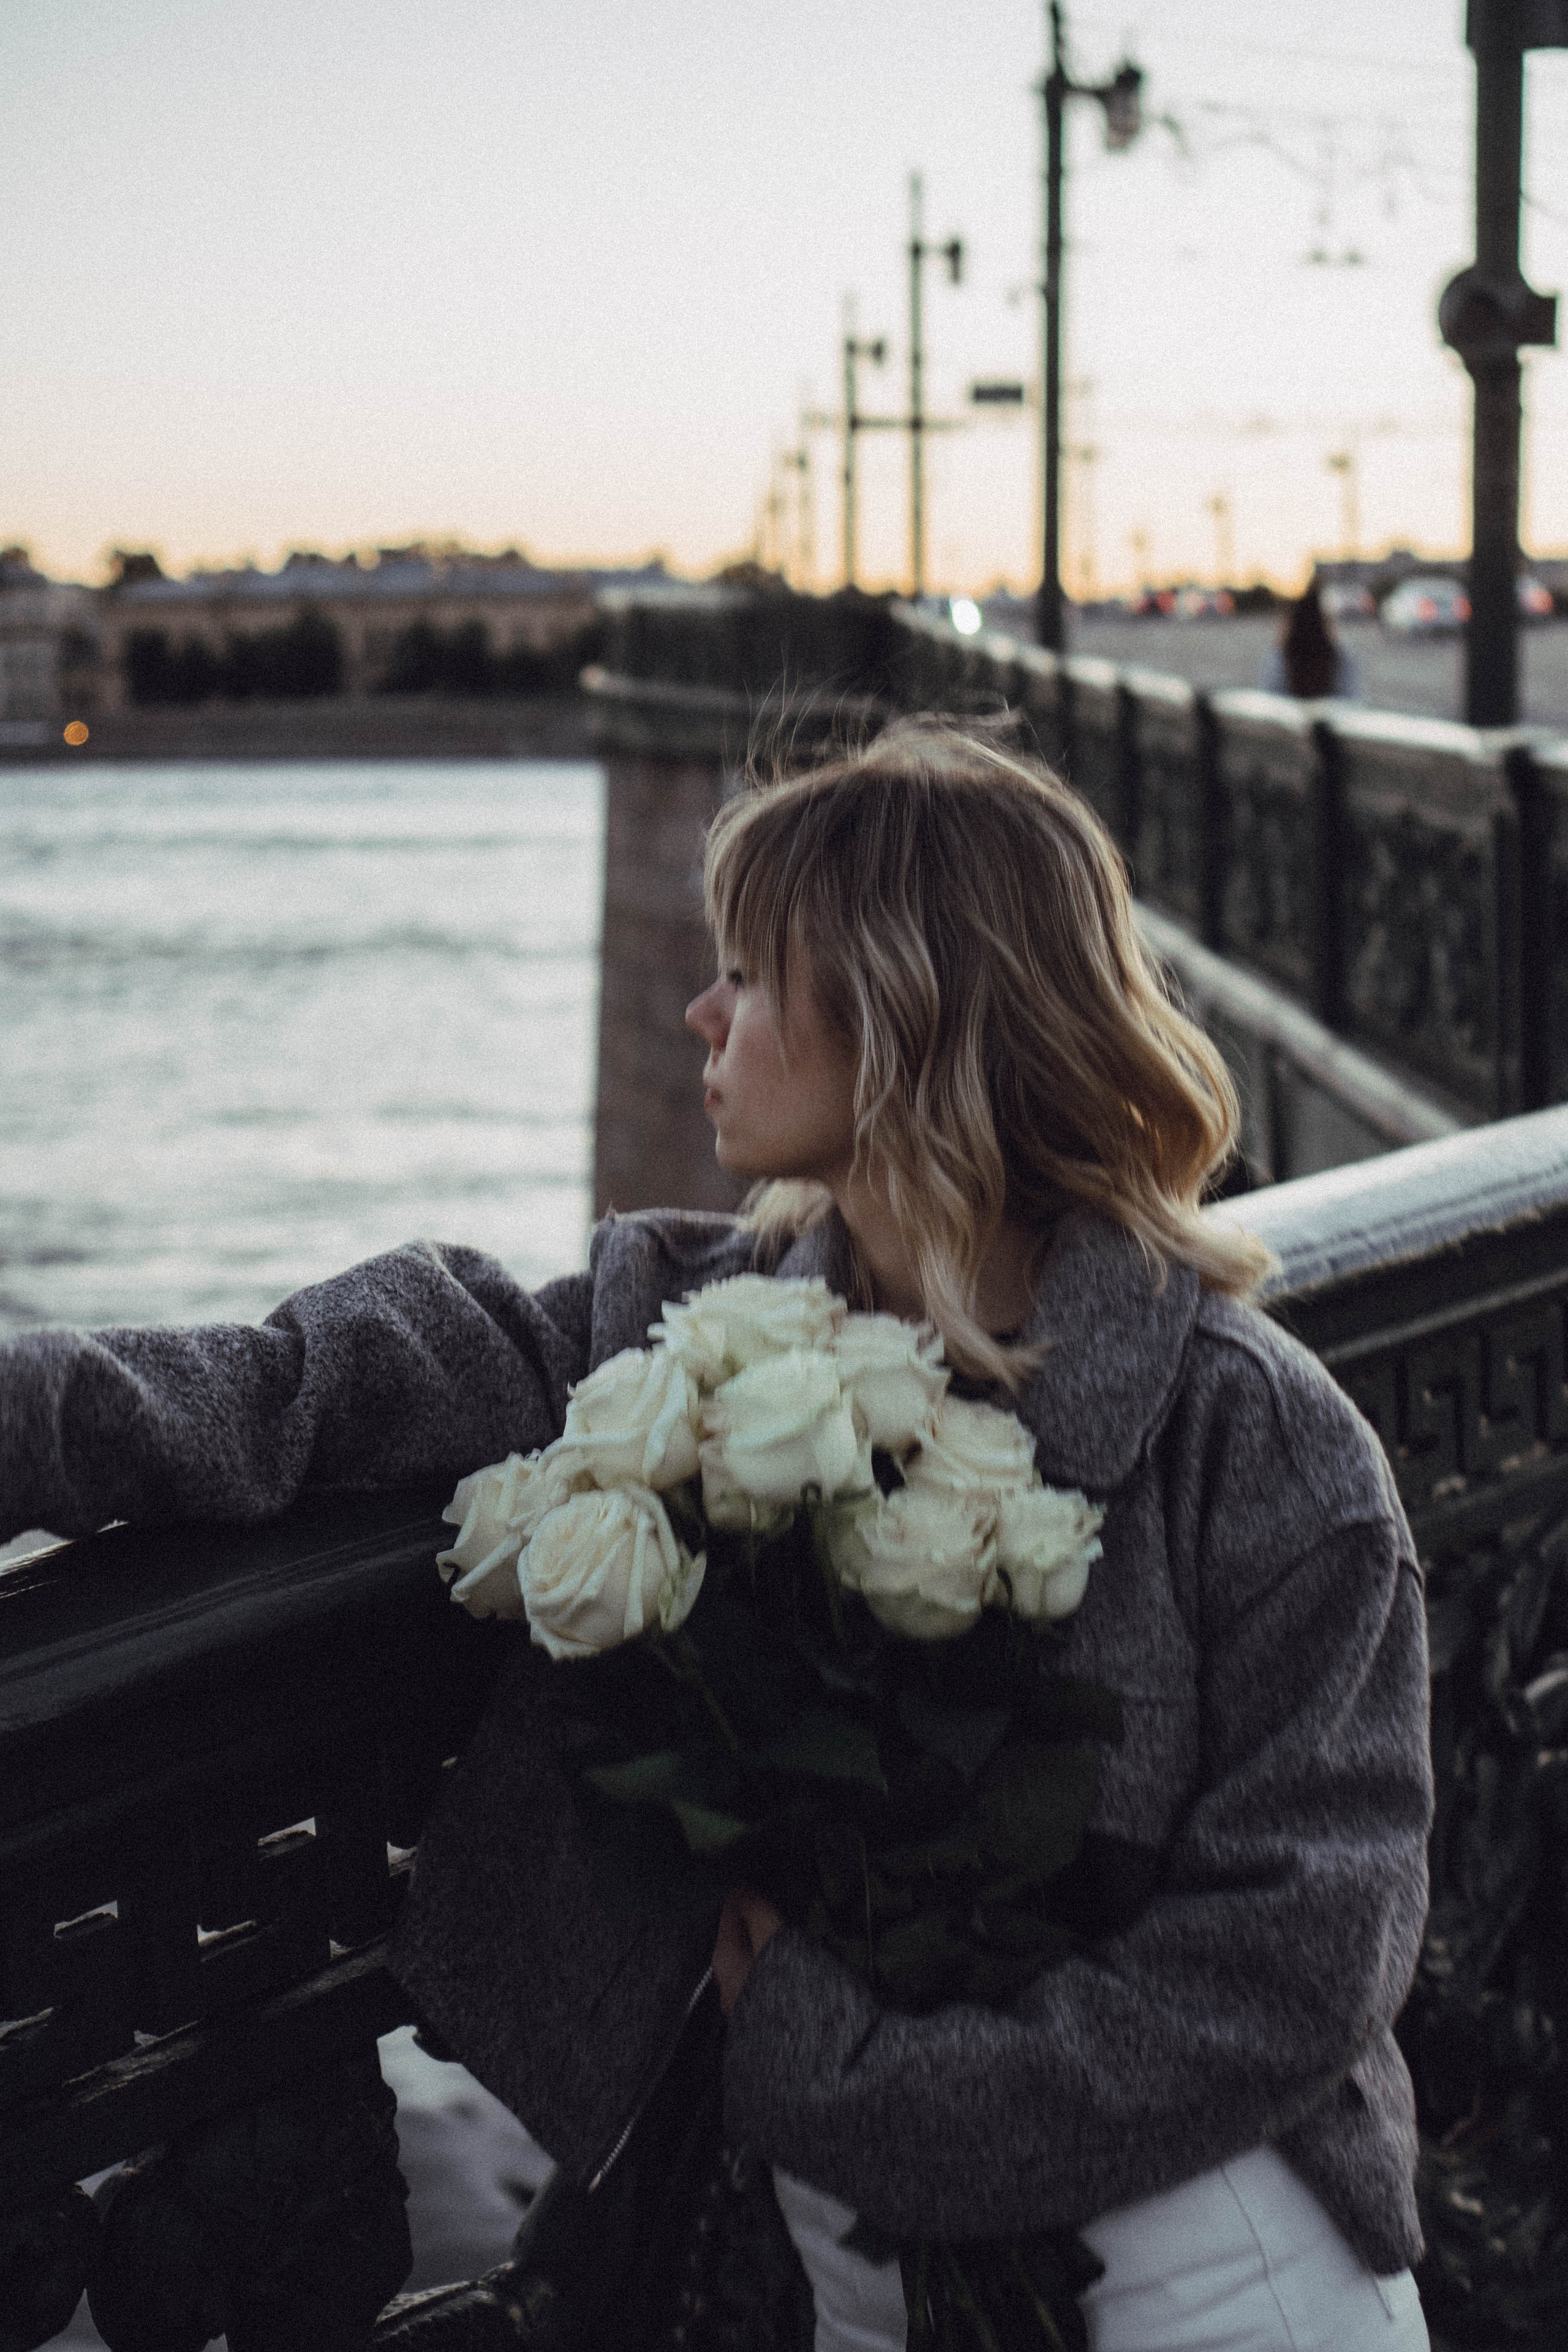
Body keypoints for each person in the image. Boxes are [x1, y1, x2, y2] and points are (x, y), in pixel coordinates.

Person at [1, 720, 1431, 2352]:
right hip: (852, 2285)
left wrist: (865, 2088)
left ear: (903, 1016)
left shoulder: (1253, 1437)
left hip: (1214, 2279)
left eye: (749, 975)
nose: (699, 1012)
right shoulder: (687, 1326)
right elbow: (301, 1389)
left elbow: (1304, 1959)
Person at [1261, 580, 1362, 700]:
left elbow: (1271, 698)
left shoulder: (1281, 655)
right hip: (1329, 714)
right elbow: (1351, 698)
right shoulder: (1340, 655)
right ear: (1324, 622)